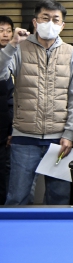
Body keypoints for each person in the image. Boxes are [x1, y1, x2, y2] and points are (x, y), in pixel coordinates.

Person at [0, 0, 73, 206]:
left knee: (59, 198)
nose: (50, 23)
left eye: (56, 19)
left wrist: (69, 133)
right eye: (45, 18)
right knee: (18, 197)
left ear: (63, 25)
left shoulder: (71, 53)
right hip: (24, 137)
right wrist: (12, 45)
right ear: (35, 22)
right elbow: (1, 74)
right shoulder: (19, 48)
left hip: (59, 140)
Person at [0, 16, 13, 203]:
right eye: (1, 30)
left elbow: (11, 99)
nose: (5, 34)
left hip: (3, 132)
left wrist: (11, 129)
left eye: (8, 30)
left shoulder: (15, 55)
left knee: (3, 175)